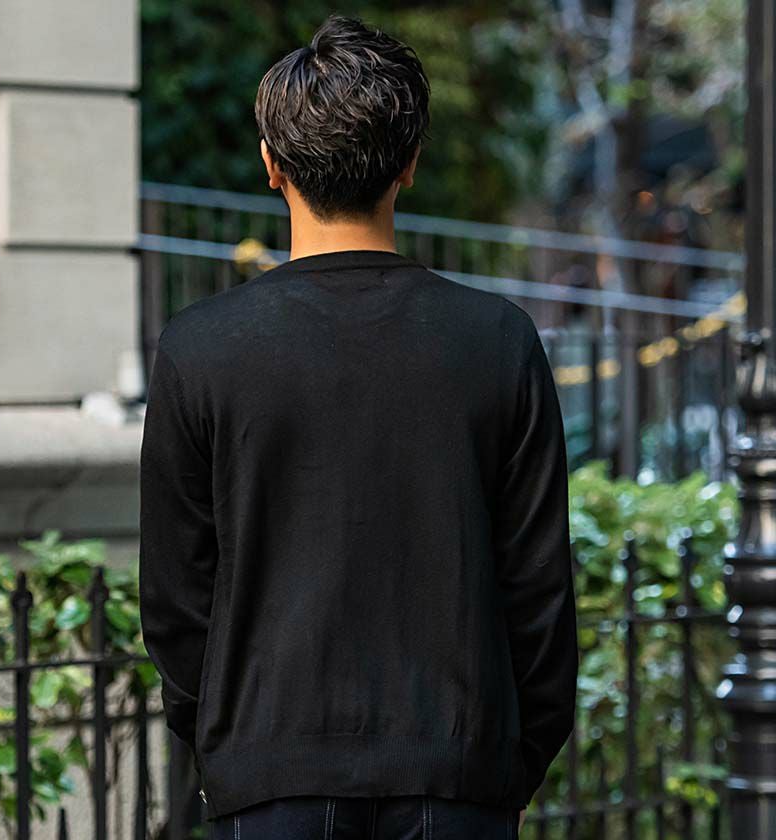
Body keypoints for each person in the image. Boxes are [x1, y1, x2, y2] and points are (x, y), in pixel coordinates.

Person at [138, 13, 578, 840]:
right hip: (458, 770)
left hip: (268, 772)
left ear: (271, 164)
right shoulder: (499, 340)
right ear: (410, 163)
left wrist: (227, 748)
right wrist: (510, 764)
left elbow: (175, 599)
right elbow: (539, 588)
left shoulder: (200, 348)